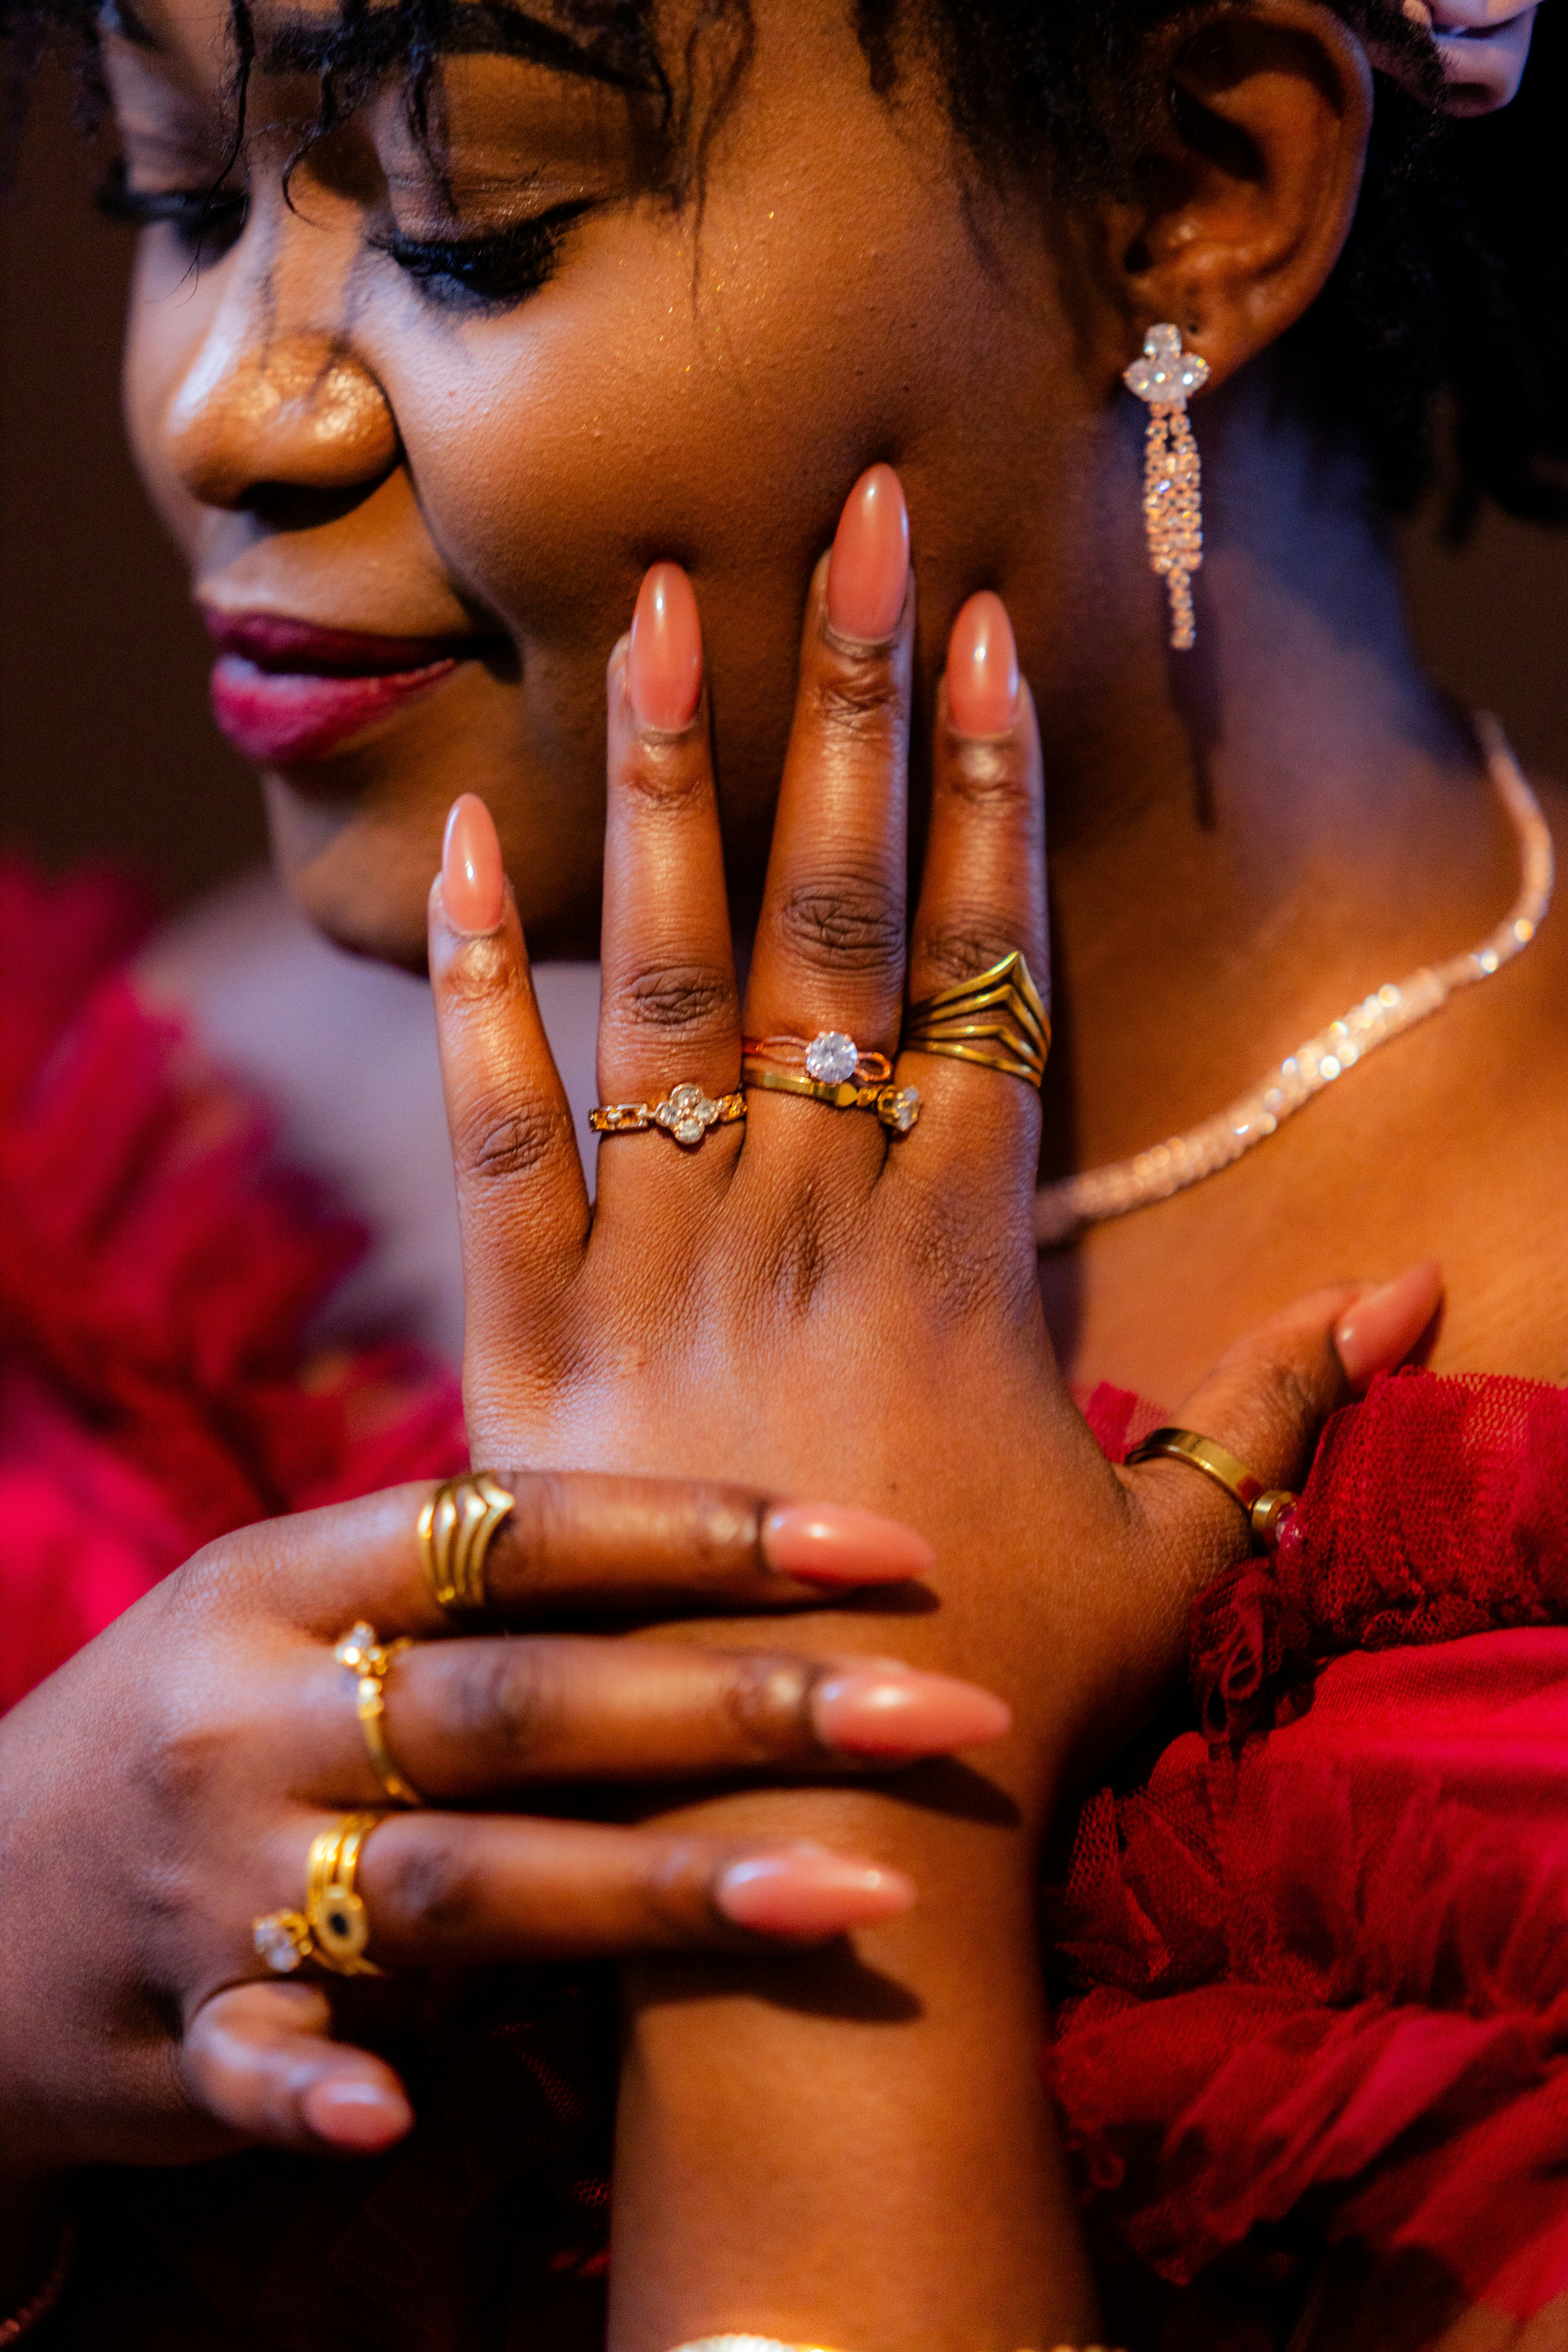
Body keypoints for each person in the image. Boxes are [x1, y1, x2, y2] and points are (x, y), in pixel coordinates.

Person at [0, 0, 1564, 2343]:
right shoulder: (228, 1154)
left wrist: (823, 1874)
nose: (230, 407)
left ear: (1196, 194)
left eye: (469, 232)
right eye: (180, 196)